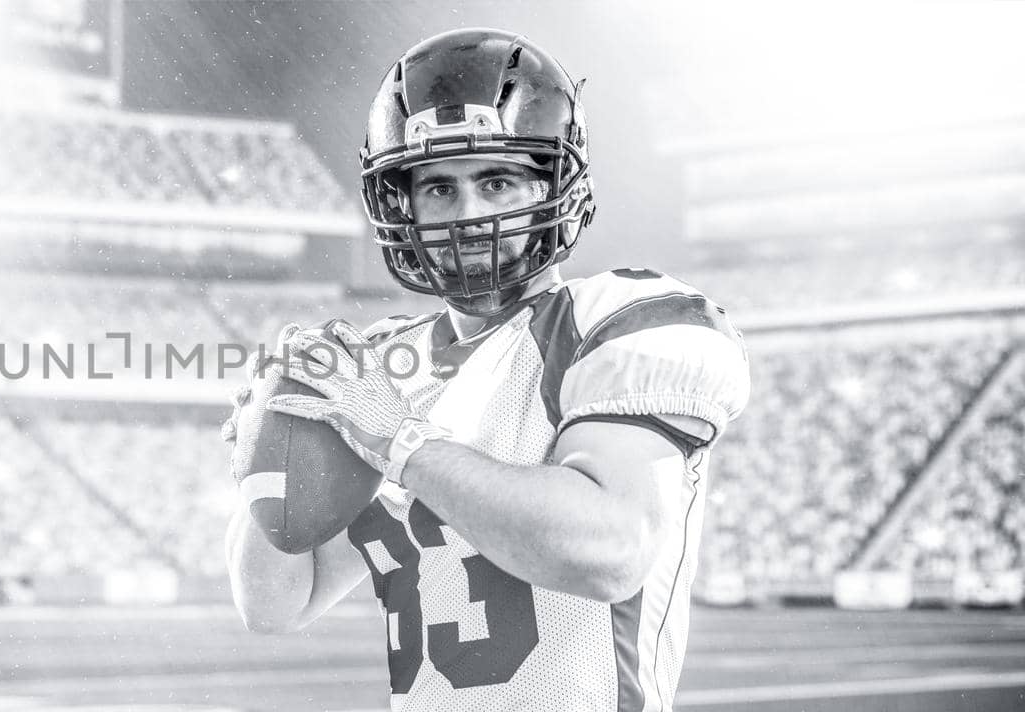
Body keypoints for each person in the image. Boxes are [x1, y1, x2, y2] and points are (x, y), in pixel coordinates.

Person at [222, 28, 750, 711]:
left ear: (556, 184)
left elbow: (608, 552)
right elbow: (275, 605)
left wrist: (402, 441)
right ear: (400, 208)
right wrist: (264, 468)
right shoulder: (382, 366)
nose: (467, 215)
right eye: (438, 189)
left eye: (495, 181)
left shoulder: (620, 321)